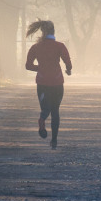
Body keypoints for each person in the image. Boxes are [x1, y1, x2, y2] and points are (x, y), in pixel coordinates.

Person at [25, 19, 72, 149]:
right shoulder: (60, 46)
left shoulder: (35, 47)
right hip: (57, 82)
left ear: (42, 32)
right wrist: (68, 70)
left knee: (45, 108)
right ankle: (54, 141)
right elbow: (67, 62)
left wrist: (39, 68)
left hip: (42, 82)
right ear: (53, 31)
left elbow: (28, 66)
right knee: (55, 111)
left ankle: (41, 120)